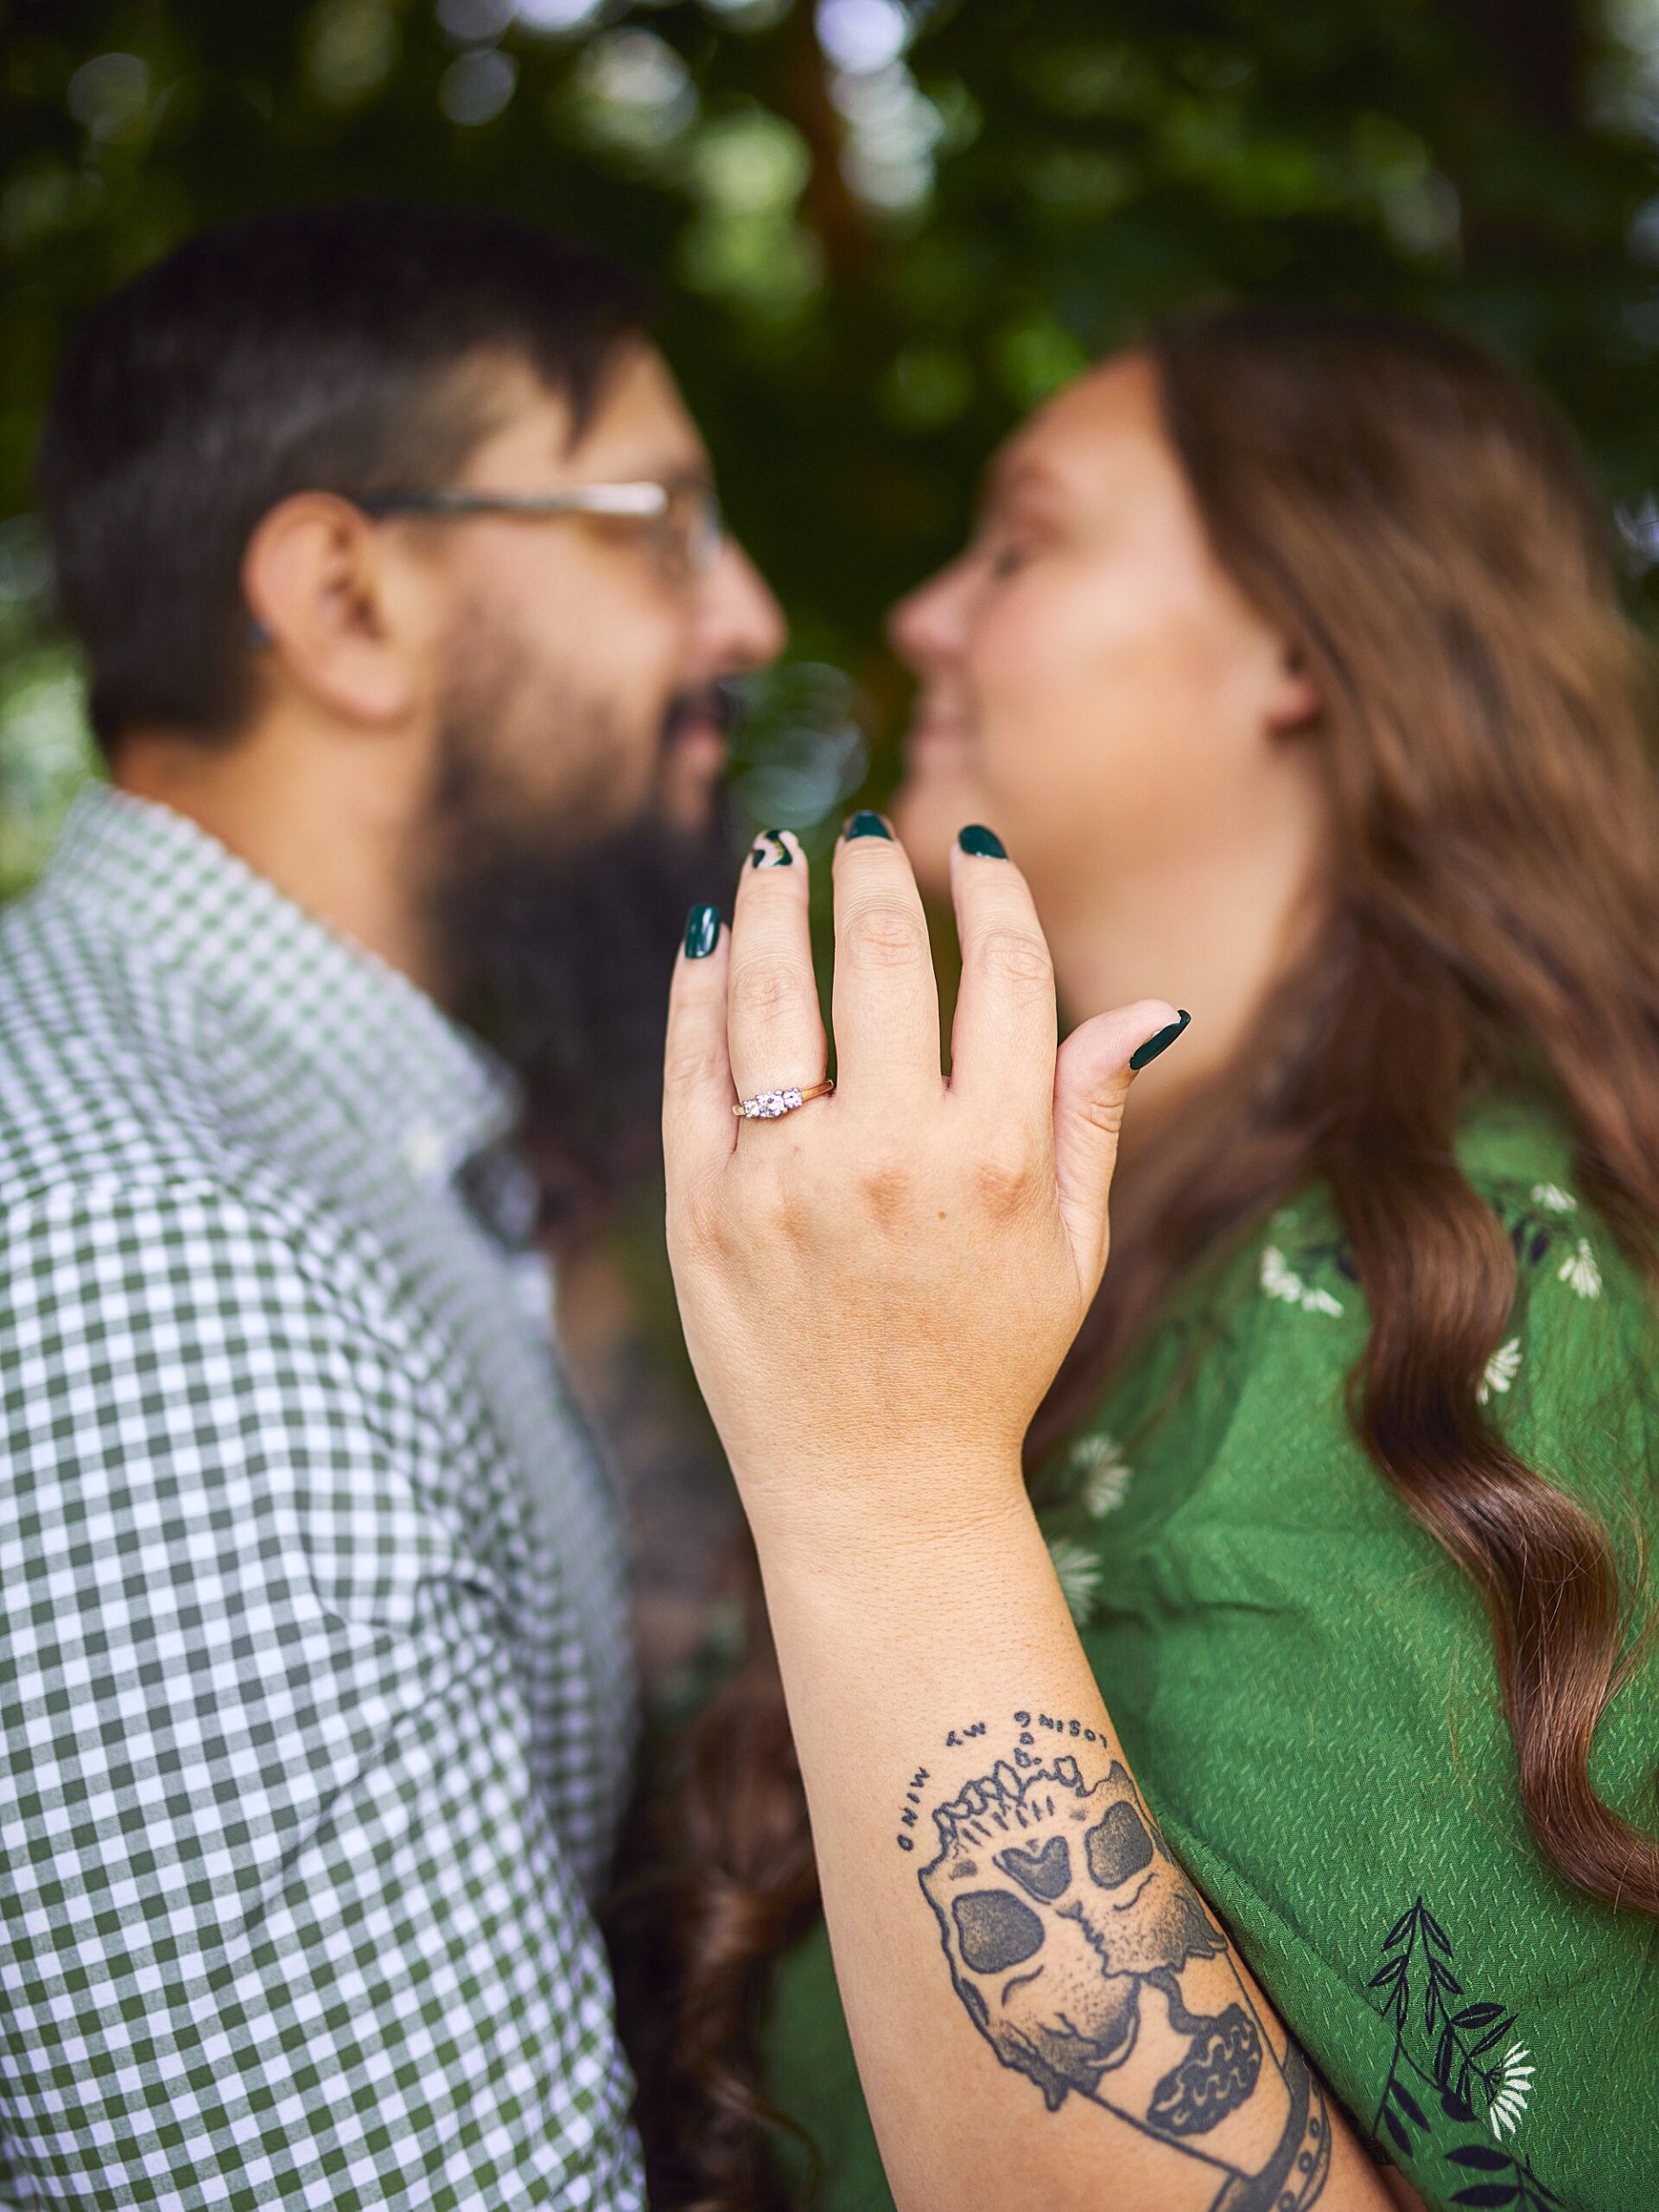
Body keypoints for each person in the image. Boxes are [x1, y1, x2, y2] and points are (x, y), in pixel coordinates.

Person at [650, 307, 1659, 2212]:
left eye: (1022, 542)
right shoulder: (1075, 1254)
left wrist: (882, 1487)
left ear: (1300, 635)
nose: (928, 614)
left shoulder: (1483, 1291)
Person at [0, 200, 781, 2206]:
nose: (748, 619)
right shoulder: (166, 1265)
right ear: (346, 598)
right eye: (660, 525)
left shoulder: (310, 1139)